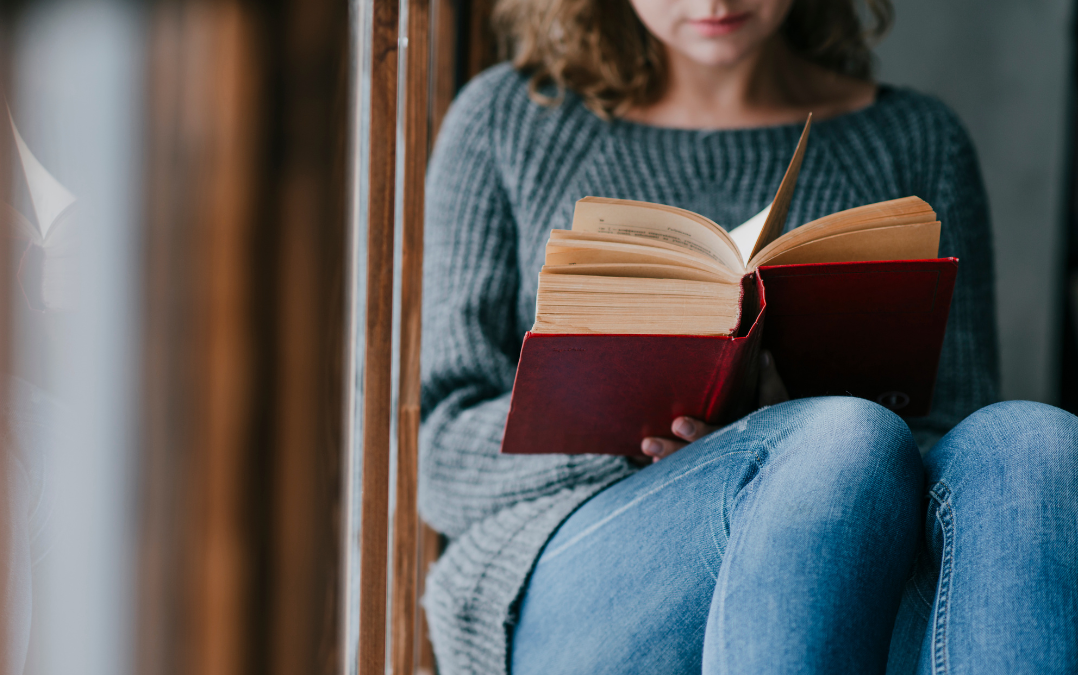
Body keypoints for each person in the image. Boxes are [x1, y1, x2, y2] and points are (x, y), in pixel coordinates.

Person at [417, 0, 1078, 673]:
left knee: (1035, 441)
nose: (712, 3)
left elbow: (955, 444)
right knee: (836, 437)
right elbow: (438, 456)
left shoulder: (916, 139)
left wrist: (786, 423)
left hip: (842, 529)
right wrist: (631, 431)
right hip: (577, 566)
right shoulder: (509, 119)